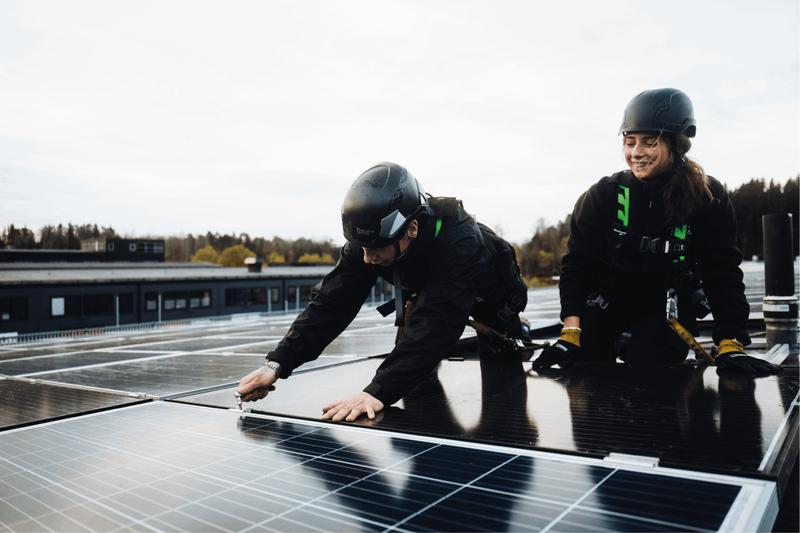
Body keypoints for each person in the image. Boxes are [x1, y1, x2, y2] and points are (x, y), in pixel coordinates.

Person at [237, 162, 529, 420]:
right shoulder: (372, 236)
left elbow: (438, 322)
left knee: (502, 397)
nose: (366, 258)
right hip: (426, 292)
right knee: (413, 379)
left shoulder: (460, 242)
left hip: (492, 302)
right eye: (362, 248)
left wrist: (375, 392)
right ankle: (422, 448)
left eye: (375, 250)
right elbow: (330, 304)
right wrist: (277, 363)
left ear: (411, 229)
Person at [532, 88, 781, 374]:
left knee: (649, 370)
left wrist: (730, 341)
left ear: (678, 146)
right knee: (582, 360)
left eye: (650, 142)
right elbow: (577, 264)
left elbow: (721, 269)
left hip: (668, 301)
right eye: (630, 142)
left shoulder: (707, 196)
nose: (636, 153)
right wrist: (570, 332)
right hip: (609, 297)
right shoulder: (603, 195)